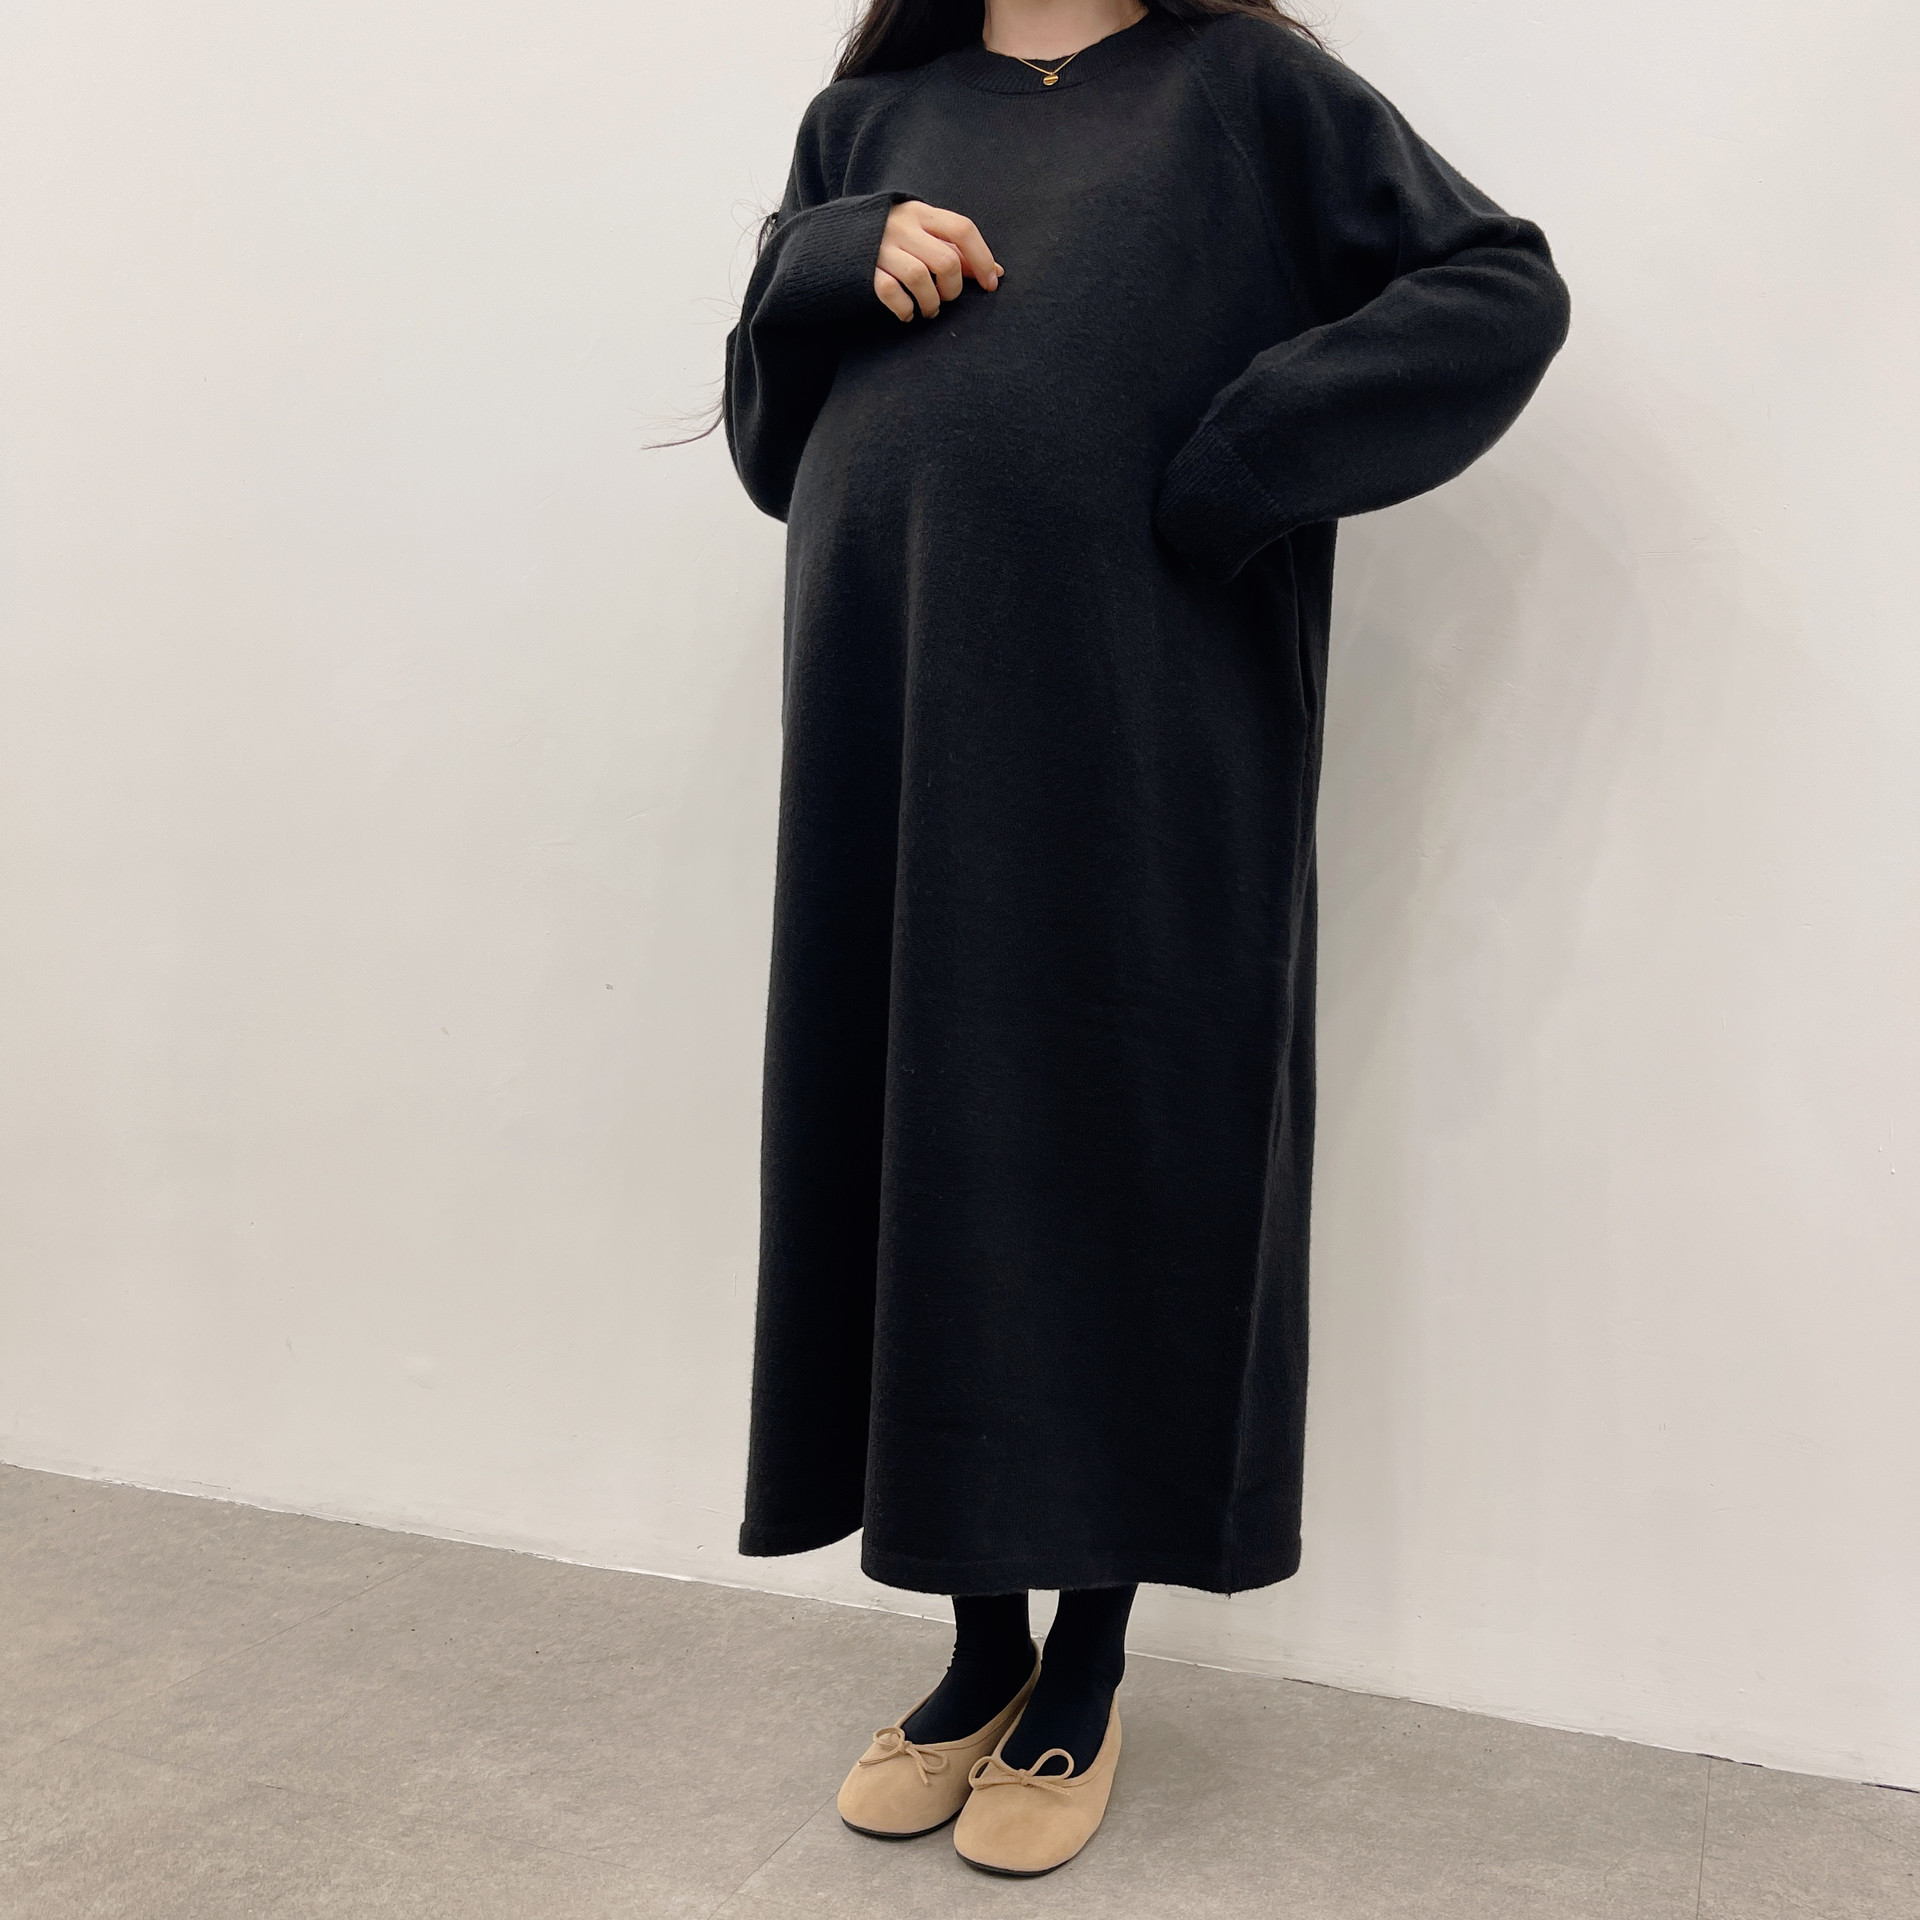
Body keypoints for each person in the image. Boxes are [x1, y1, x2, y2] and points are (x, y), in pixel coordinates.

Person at [719, 0, 1569, 1878]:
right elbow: (776, 451)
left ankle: (1088, 1661)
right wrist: (829, 263)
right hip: (890, 713)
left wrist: (1245, 450)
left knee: (1107, 1132)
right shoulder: (872, 118)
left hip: (1138, 718)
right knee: (924, 1143)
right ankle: (981, 1650)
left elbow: (1497, 286)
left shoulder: (1247, 90)